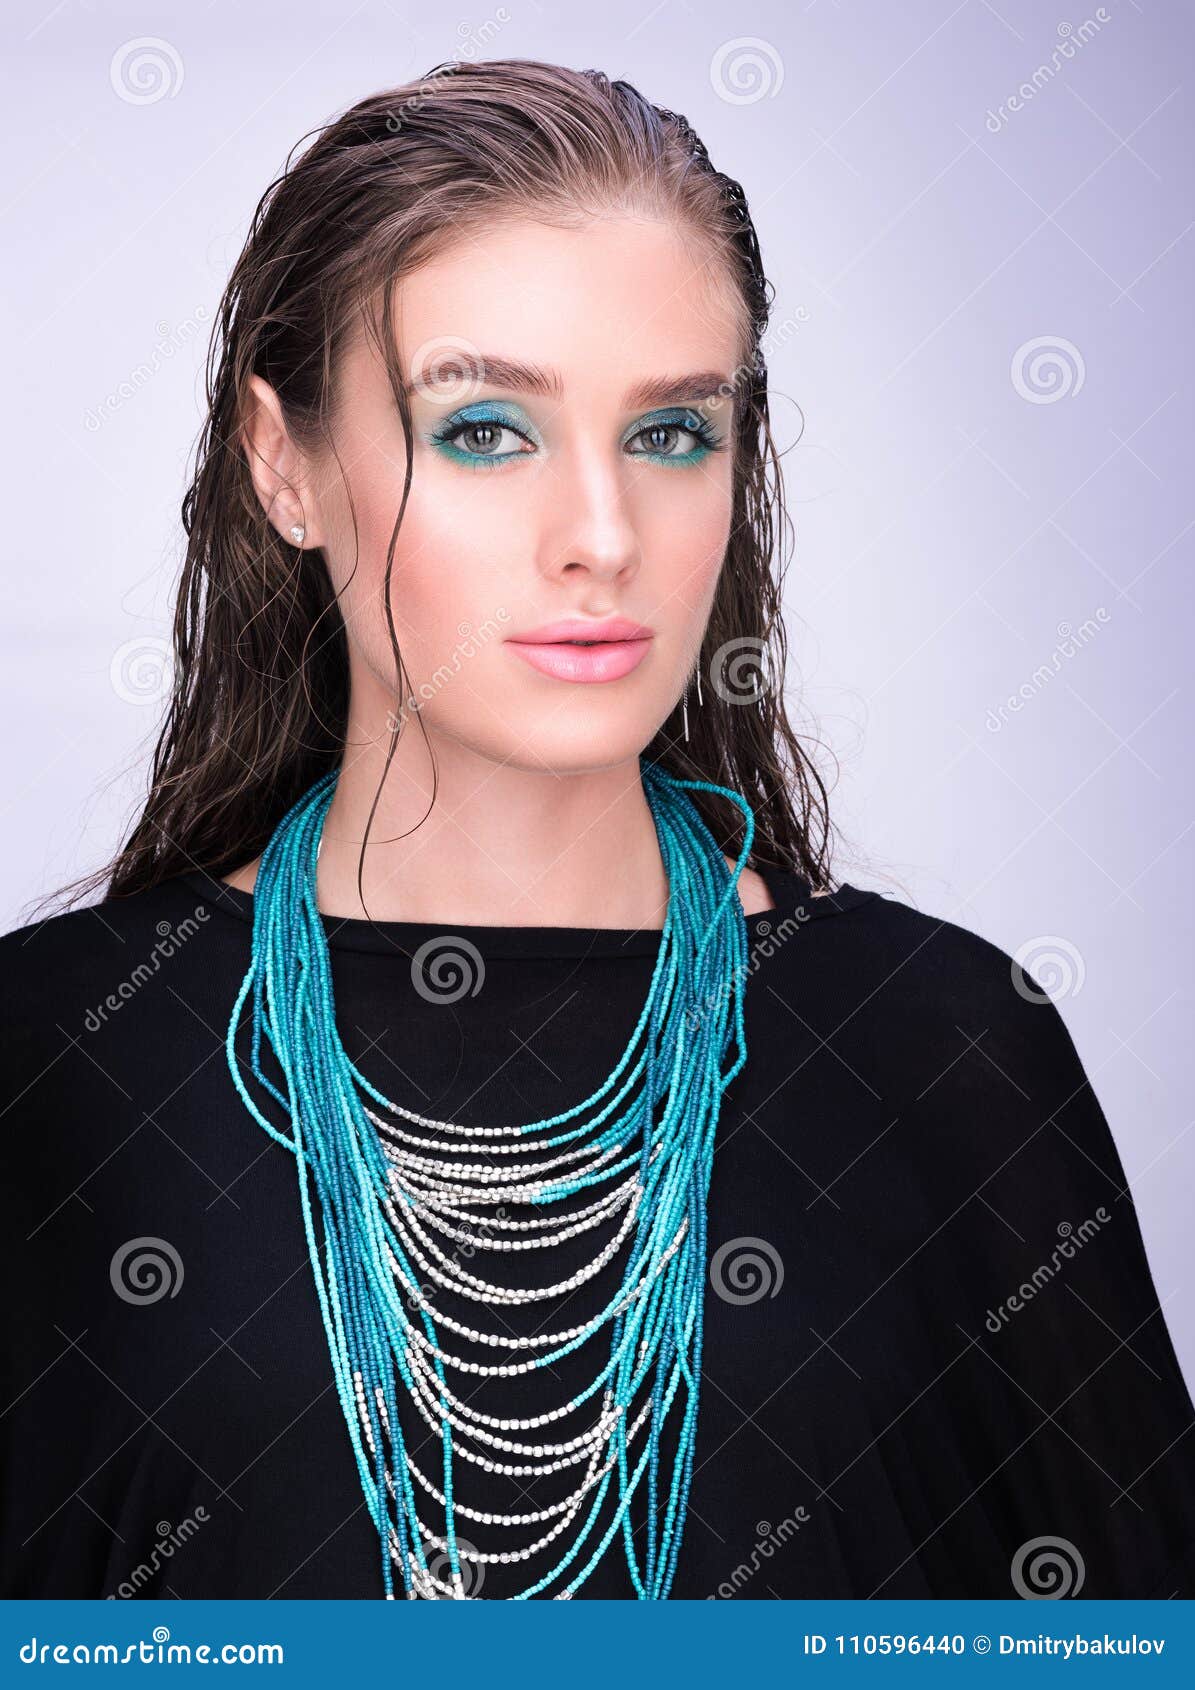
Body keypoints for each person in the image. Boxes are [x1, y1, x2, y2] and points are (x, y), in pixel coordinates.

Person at [2, 59, 1192, 1602]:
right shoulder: (53, 1062)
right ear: (283, 461)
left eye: (673, 434)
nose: (605, 537)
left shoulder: (942, 1053)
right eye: (487, 429)